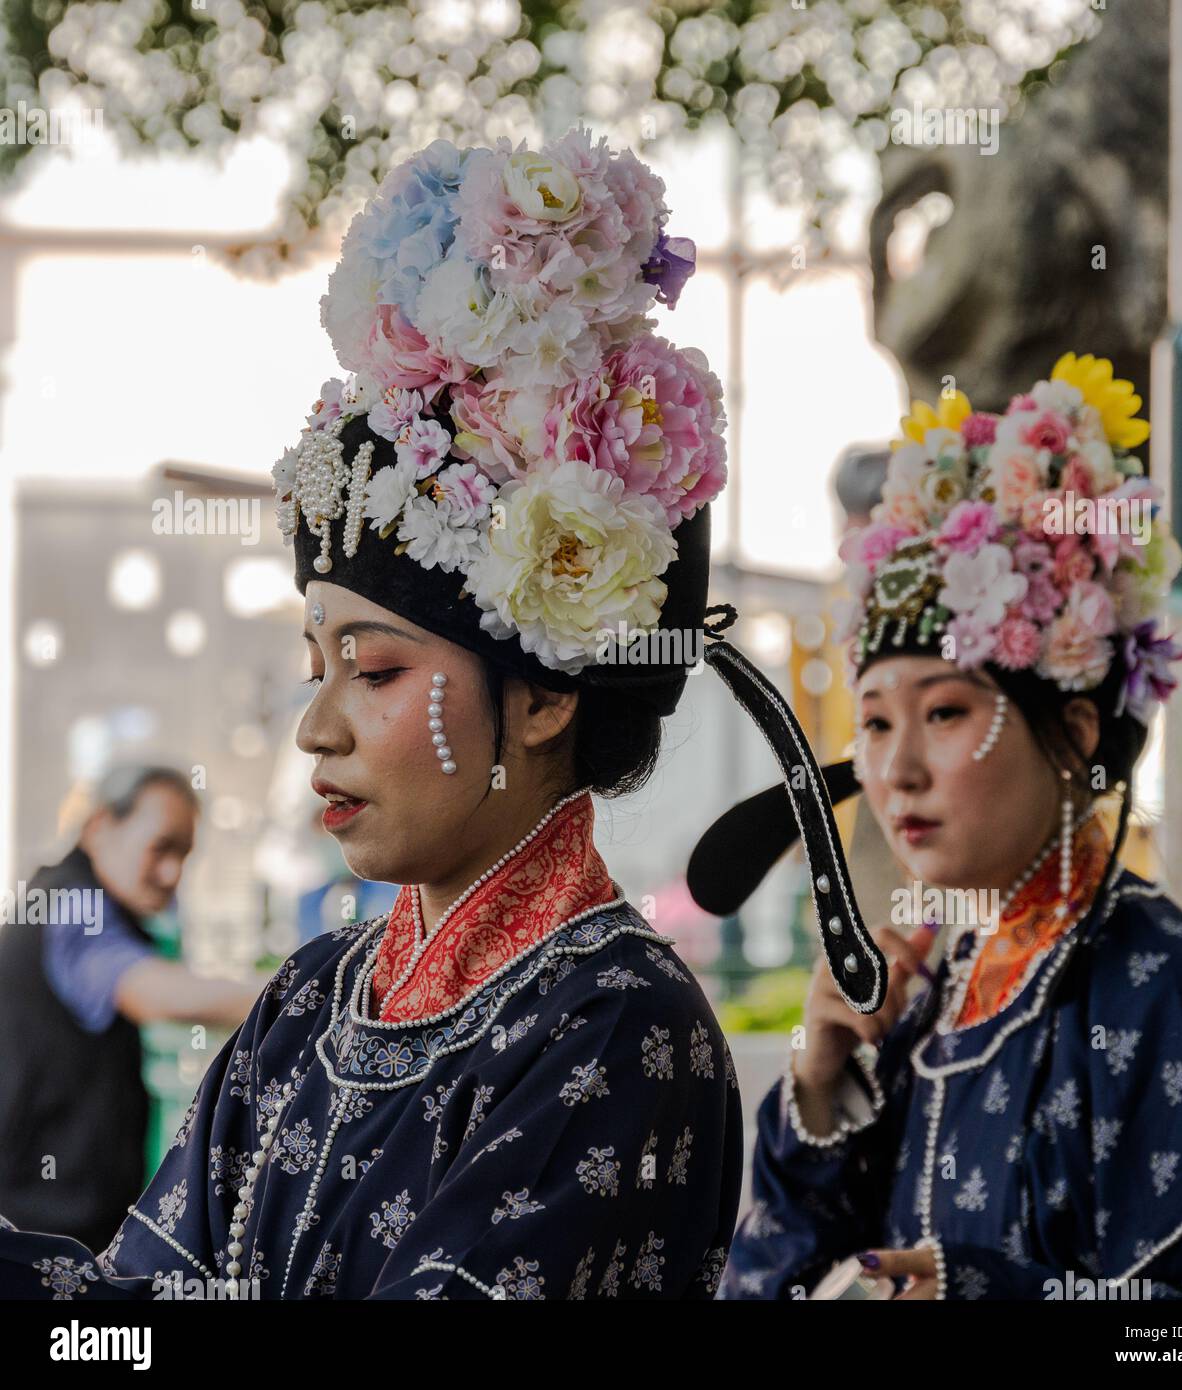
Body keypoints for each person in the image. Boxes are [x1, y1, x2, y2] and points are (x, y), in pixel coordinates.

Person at [0, 126, 869, 1300]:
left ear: (549, 689)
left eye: (376, 670)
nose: (316, 726)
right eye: (316, 664)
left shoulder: (618, 1031)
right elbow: (130, 1313)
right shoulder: (309, 998)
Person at [703, 353, 1182, 1299]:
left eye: (945, 714)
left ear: (1076, 734)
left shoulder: (1170, 995)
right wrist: (819, 1090)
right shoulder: (928, 989)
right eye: (878, 722)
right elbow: (773, 1283)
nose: (895, 770)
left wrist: (982, 1292)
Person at [0, 764, 262, 1250]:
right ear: (100, 827)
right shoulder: (73, 904)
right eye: (161, 847)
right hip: (45, 1225)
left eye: (184, 855)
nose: (173, 873)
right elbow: (147, 989)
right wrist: (297, 989)